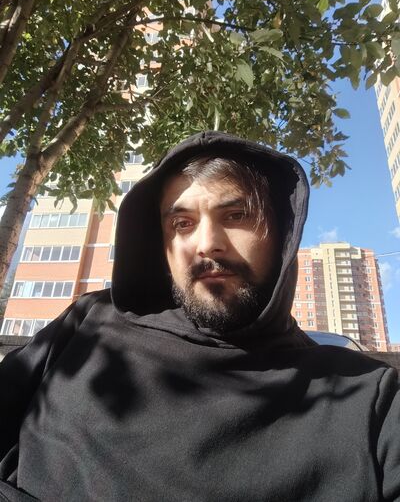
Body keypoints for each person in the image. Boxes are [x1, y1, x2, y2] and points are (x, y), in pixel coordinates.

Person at [0, 130, 399, 502]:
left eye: (236, 215)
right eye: (182, 224)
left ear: (283, 234)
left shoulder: (369, 399)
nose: (207, 244)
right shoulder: (89, 321)